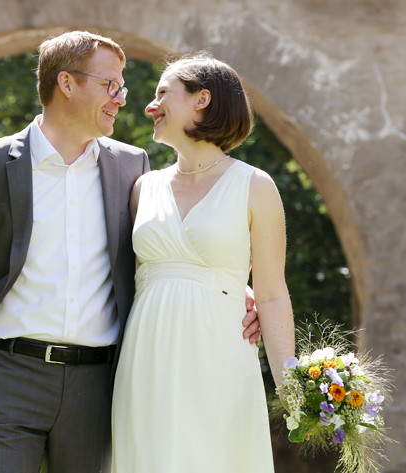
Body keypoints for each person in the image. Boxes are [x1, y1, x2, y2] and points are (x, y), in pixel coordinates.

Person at [0, 32, 260, 473]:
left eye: (122, 87)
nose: (121, 99)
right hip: (2, 379)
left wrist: (234, 292)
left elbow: (159, 252)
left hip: (100, 387)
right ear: (67, 83)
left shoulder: (132, 166)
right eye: (110, 85)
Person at [111, 52, 295, 472]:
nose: (149, 106)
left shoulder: (254, 185)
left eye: (162, 94)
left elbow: (271, 294)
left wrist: (293, 391)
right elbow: (132, 279)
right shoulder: (143, 188)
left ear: (202, 99)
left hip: (220, 354)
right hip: (147, 359)